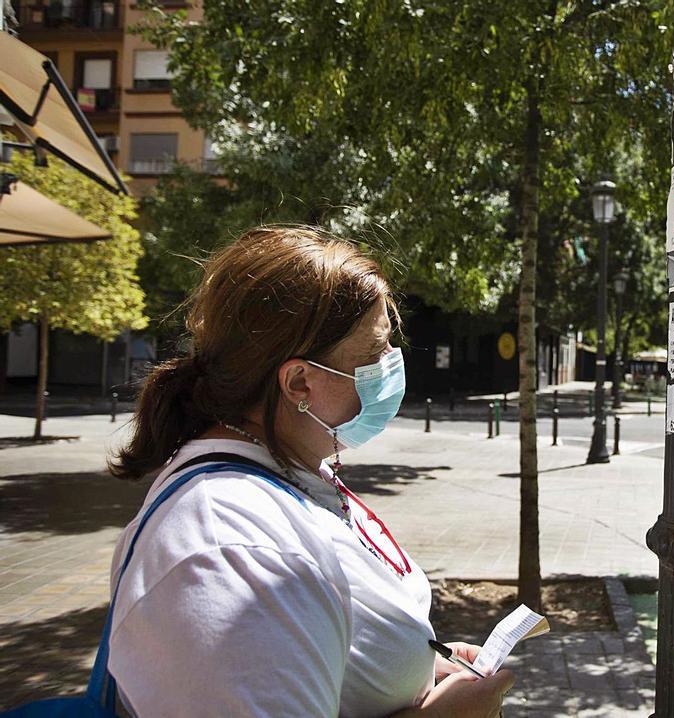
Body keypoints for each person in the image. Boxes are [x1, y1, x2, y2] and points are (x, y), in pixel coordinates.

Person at [107, 227, 514, 717]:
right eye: (374, 354)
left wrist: (418, 667)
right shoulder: (230, 549)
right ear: (299, 382)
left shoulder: (292, 468)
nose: (392, 365)